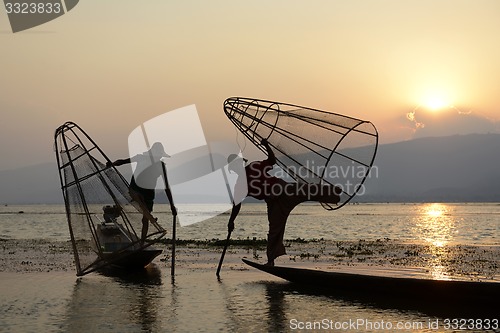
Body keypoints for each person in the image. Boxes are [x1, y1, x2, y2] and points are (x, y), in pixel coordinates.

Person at [227, 138, 341, 266]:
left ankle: (333, 193)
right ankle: (271, 261)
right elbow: (236, 204)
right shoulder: (240, 185)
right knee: (275, 230)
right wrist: (231, 221)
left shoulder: (253, 167)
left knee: (305, 189)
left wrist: (267, 146)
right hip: (274, 201)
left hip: (282, 189)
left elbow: (272, 161)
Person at [107, 142, 176, 244]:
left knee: (145, 220)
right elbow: (123, 161)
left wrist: (172, 206)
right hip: (135, 189)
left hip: (148, 195)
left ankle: (142, 242)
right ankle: (148, 214)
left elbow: (167, 187)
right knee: (138, 198)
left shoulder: (161, 166)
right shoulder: (141, 158)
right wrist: (112, 164)